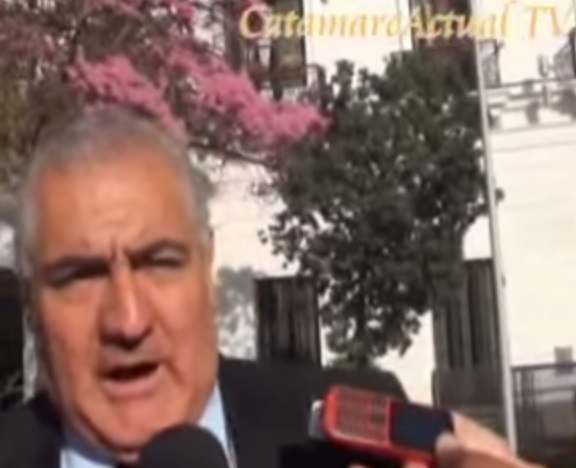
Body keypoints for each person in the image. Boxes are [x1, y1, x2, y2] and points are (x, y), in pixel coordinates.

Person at [0, 106, 541, 468]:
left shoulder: (359, 440)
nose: (128, 320)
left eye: (159, 263)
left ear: (207, 269)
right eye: (82, 275)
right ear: (31, 305)